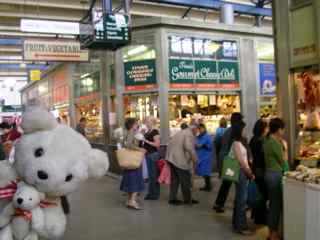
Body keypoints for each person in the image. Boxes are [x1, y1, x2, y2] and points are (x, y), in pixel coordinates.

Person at [213, 112, 244, 213]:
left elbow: (217, 142)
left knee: (226, 183)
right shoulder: (234, 132)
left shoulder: (227, 131)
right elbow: (235, 147)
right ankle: (221, 204)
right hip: (231, 160)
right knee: (230, 183)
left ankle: (218, 203)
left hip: (225, 158)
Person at [263, 118, 287, 240]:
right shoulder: (275, 143)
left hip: (268, 173)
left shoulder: (266, 140)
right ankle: (272, 234)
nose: (283, 132)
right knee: (275, 206)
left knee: (273, 204)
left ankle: (271, 232)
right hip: (275, 175)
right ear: (278, 129)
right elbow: (282, 161)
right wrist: (285, 148)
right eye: (283, 129)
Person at [231, 121, 255, 235]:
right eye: (244, 129)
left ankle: (236, 223)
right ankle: (242, 226)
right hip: (241, 173)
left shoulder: (242, 142)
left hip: (242, 173)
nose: (245, 131)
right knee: (241, 200)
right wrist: (249, 173)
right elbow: (242, 162)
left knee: (239, 199)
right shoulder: (236, 143)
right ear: (239, 130)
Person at [167, 125, 198, 205]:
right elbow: (189, 147)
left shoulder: (180, 132)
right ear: (194, 130)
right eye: (196, 132)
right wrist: (194, 157)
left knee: (175, 179)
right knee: (185, 180)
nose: (196, 134)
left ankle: (172, 198)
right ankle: (187, 199)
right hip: (178, 159)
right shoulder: (189, 133)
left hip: (171, 157)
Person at [120, 118, 146, 210]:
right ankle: (133, 201)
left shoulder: (127, 132)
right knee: (135, 180)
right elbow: (129, 145)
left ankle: (130, 200)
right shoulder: (131, 132)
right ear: (132, 125)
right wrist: (140, 149)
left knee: (130, 180)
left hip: (129, 160)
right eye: (136, 124)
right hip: (134, 160)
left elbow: (125, 144)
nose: (137, 125)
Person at [249, 119, 269, 224]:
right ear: (263, 129)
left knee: (259, 193)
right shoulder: (261, 141)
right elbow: (263, 156)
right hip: (260, 169)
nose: (268, 130)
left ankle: (256, 216)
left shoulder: (253, 139)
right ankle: (260, 218)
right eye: (266, 127)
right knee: (263, 194)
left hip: (255, 168)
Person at [143, 117, 161, 200]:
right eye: (146, 122)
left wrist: (146, 141)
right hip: (148, 154)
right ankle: (152, 193)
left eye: (147, 121)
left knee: (153, 175)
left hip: (153, 155)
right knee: (151, 175)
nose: (146, 123)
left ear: (152, 122)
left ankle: (154, 194)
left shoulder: (155, 132)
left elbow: (157, 144)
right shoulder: (148, 131)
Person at [195, 124, 213, 192]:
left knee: (206, 172)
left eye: (201, 129)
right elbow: (196, 144)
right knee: (203, 172)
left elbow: (210, 146)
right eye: (199, 129)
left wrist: (203, 145)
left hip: (206, 157)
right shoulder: (198, 137)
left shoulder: (207, 136)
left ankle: (208, 186)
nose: (200, 130)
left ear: (204, 128)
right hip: (200, 156)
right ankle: (207, 185)